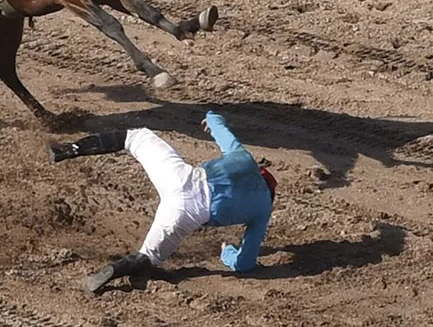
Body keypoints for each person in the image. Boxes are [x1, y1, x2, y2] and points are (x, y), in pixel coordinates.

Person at [48, 110, 276, 293]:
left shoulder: (244, 158)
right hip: (186, 214)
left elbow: (220, 128)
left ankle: (68, 149)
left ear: (260, 171)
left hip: (178, 178)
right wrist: (228, 253)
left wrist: (211, 117)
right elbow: (245, 264)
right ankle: (118, 269)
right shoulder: (263, 209)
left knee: (136, 137)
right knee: (148, 256)